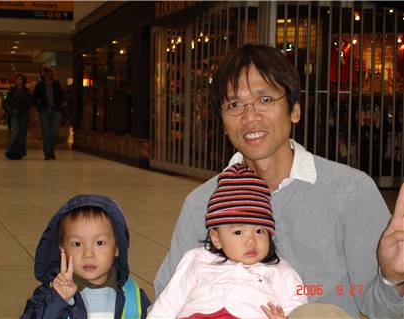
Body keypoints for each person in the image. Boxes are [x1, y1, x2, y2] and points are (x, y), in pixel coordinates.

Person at [154, 44, 404, 318]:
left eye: (265, 100)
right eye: (235, 105)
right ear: (223, 122)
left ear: (294, 110)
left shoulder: (349, 192)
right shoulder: (203, 203)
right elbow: (167, 299)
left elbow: (382, 308)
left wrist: (391, 278)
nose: (250, 117)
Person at [148, 164, 307, 319]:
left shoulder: (281, 271)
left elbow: (298, 306)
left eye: (259, 231)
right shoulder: (197, 259)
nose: (251, 240)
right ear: (216, 239)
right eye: (238, 232)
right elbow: (170, 301)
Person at [20, 194, 151, 318]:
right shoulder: (49, 296)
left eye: (99, 243)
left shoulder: (135, 299)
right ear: (63, 250)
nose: (88, 254)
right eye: (77, 244)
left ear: (117, 248)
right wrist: (56, 302)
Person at [33, 66, 63, 160]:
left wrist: (59, 107)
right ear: (44, 74)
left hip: (55, 111)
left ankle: (51, 150)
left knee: (54, 132)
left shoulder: (56, 84)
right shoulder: (40, 85)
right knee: (46, 132)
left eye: (50, 72)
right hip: (44, 111)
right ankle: (47, 152)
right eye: (47, 72)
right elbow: (35, 98)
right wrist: (39, 108)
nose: (49, 74)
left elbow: (61, 97)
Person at [5, 74, 32, 160]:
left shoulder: (27, 91)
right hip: (15, 114)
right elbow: (7, 102)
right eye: (17, 79)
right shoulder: (12, 91)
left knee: (22, 134)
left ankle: (20, 152)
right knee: (16, 131)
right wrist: (11, 110)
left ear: (23, 81)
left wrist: (29, 114)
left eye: (20, 79)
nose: (19, 81)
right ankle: (9, 150)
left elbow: (29, 103)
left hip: (24, 114)